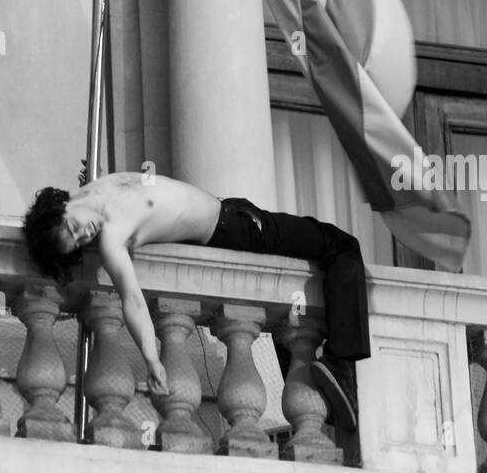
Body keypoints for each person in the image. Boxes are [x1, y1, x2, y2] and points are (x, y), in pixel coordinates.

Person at [22, 170, 368, 430]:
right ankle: (340, 362)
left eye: (72, 227)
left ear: (62, 205)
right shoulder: (113, 237)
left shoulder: (93, 186)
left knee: (302, 297)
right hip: (235, 230)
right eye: (77, 243)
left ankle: (319, 373)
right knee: (341, 245)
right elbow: (133, 300)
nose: (84, 235)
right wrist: (152, 358)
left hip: (233, 211)